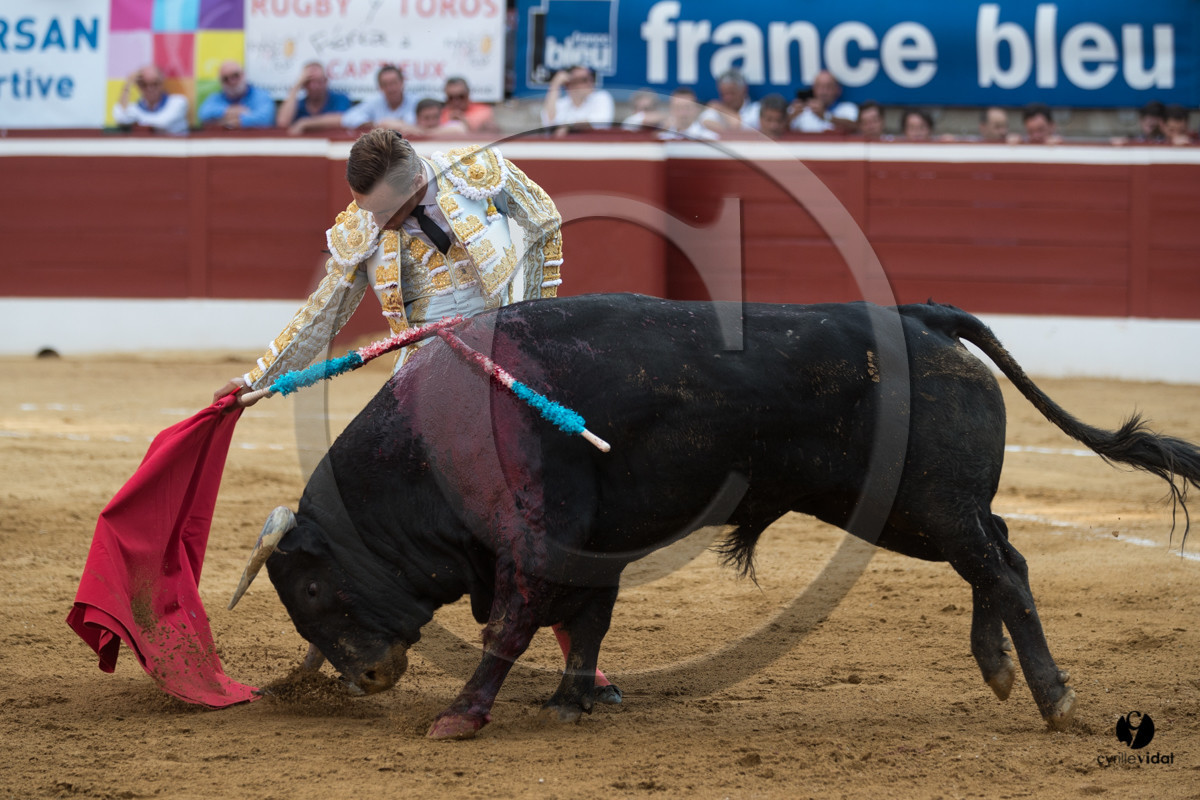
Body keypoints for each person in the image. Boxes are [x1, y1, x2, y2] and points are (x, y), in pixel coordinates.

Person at [216, 128, 565, 401]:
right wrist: (257, 378)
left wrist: (531, 321)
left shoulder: (476, 173)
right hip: (422, 371)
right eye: (369, 210)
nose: (377, 223)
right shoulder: (362, 227)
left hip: (499, 345)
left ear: (417, 181)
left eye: (386, 210)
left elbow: (545, 223)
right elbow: (322, 314)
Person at [277, 61, 353, 135]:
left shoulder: (339, 99)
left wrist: (305, 123)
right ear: (303, 85)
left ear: (325, 81)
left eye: (318, 81)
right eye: (309, 82)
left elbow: (343, 119)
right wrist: (296, 87)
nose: (314, 86)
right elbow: (283, 123)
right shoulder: (298, 104)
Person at [111, 65, 189, 135]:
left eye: (155, 83)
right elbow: (120, 117)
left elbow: (163, 122)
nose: (150, 89)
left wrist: (139, 123)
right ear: (139, 86)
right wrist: (127, 85)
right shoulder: (136, 108)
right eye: (144, 84)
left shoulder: (178, 102)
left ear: (162, 83)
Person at [340, 65, 421, 131]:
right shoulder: (374, 101)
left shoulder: (417, 102)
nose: (391, 88)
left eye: (394, 83)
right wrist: (372, 124)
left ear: (402, 82)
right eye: (385, 84)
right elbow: (348, 118)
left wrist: (389, 124)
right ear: (380, 87)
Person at [198, 61, 275, 129]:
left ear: (244, 75)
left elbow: (265, 119)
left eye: (235, 76)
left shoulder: (261, 96)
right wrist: (230, 111)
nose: (231, 81)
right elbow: (204, 114)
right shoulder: (215, 98)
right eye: (225, 79)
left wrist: (228, 122)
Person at [540, 65, 615, 136]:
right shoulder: (563, 103)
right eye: (583, 80)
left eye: (591, 78)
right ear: (569, 85)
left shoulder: (601, 97)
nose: (589, 82)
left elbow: (599, 122)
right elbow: (549, 122)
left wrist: (569, 127)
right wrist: (555, 85)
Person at [790, 70, 858, 133]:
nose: (824, 92)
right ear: (813, 89)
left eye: (828, 87)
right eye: (819, 87)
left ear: (838, 90)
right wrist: (792, 116)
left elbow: (855, 127)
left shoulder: (848, 108)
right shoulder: (801, 110)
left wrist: (825, 116)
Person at [698, 69, 759, 134]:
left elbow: (738, 125)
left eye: (731, 93)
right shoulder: (714, 110)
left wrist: (720, 109)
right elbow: (705, 122)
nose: (727, 98)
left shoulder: (756, 110)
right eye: (723, 94)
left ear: (744, 90)